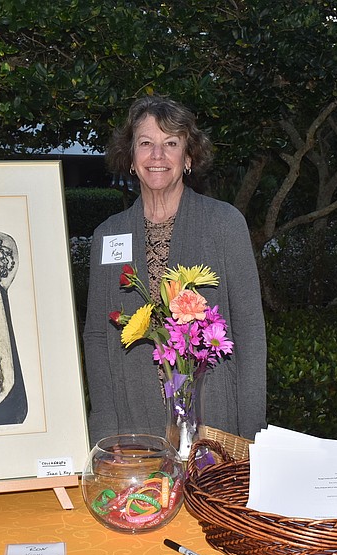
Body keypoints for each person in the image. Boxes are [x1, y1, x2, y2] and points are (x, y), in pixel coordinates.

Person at [83, 95, 267, 446]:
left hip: (213, 419)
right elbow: (96, 337)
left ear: (188, 157)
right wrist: (105, 429)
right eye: (146, 143)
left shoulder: (225, 224)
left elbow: (251, 333)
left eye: (170, 144)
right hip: (134, 423)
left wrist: (252, 433)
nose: (157, 156)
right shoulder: (108, 235)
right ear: (131, 158)